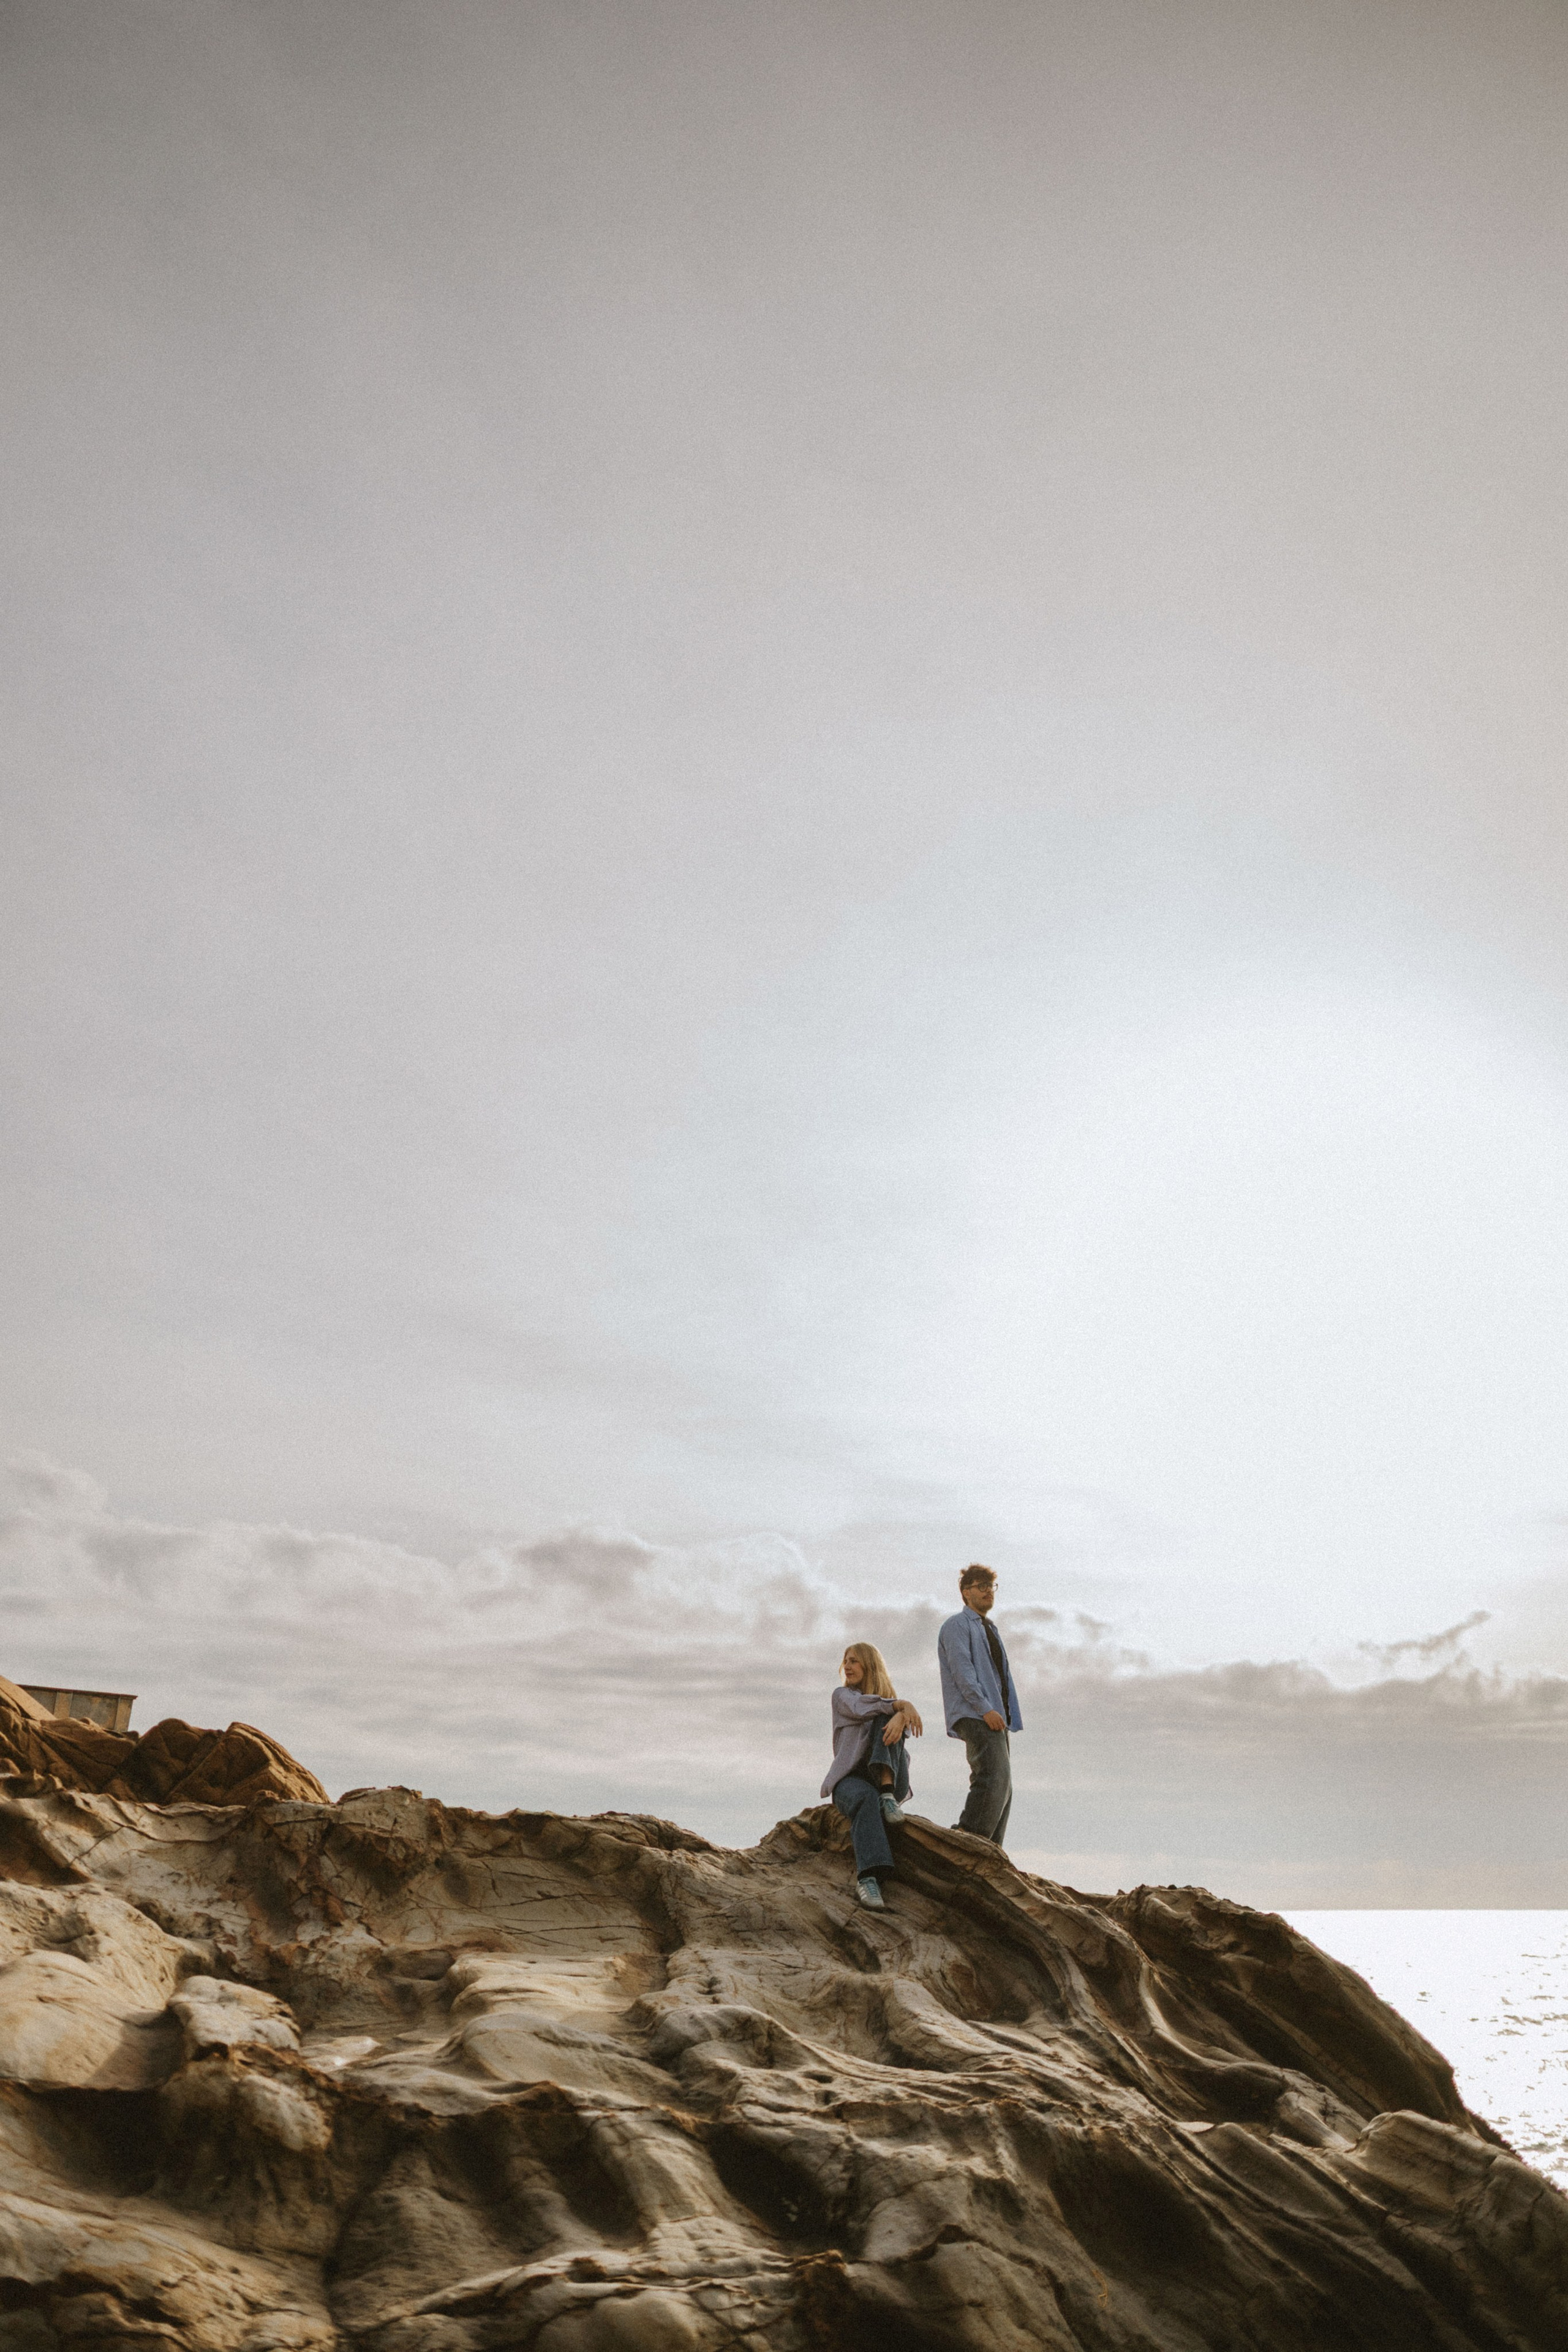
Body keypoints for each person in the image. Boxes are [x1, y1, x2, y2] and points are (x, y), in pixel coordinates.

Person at [820, 1642, 923, 1910]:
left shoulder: (889, 1706)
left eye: (854, 1661)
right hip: (851, 1782)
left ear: (870, 1665)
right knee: (866, 1796)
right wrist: (901, 1707)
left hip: (891, 1781)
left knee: (888, 1716)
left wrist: (900, 1716)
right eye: (846, 1662)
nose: (848, 1667)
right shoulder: (842, 1696)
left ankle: (887, 1794)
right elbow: (861, 1708)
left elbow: (901, 1750)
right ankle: (869, 1879)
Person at [937, 1564, 1021, 1847]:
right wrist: (985, 1709)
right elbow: (963, 1673)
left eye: (991, 1586)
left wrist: (1004, 1714)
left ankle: (993, 1852)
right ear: (965, 1592)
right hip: (977, 1714)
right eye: (980, 1586)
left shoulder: (990, 1629)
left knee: (1005, 1787)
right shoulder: (956, 1626)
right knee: (992, 1777)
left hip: (995, 1716)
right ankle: (969, 1842)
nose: (988, 1591)